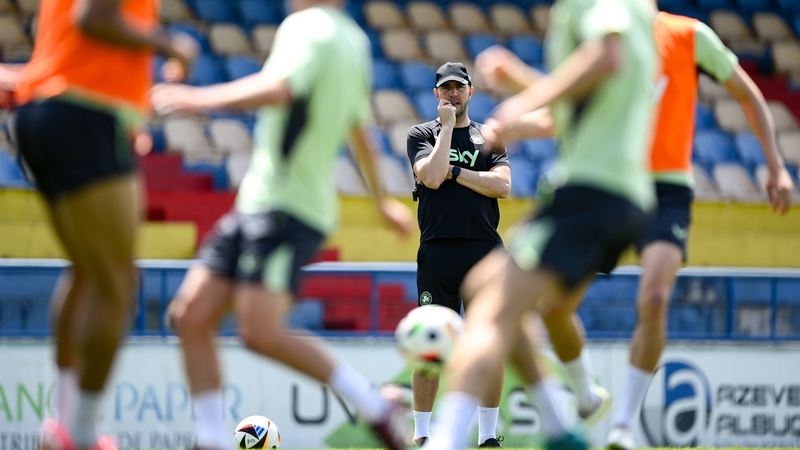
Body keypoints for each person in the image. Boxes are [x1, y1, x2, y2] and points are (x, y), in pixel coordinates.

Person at [150, 1, 415, 449]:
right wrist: (381, 201)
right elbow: (359, 132)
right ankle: (211, 439)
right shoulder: (354, 41)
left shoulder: (308, 27)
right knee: (191, 315)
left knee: (258, 331)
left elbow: (281, 88)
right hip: (258, 201)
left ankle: (373, 405)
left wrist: (198, 99)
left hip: (288, 208)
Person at [528, 7, 795, 450]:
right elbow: (566, 110)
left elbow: (748, 94)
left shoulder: (689, 35)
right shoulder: (596, 31)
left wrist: (775, 164)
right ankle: (587, 395)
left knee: (654, 298)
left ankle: (624, 427)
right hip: (607, 185)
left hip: (668, 190)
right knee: (553, 306)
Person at [424, 0, 660, 448]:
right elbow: (579, 108)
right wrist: (517, 110)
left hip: (592, 190)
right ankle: (561, 425)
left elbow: (603, 57)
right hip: (618, 192)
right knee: (486, 290)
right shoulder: (635, 13)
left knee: (491, 306)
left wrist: (524, 98)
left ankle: (445, 441)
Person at [10, 1, 196, 449]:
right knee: (117, 281)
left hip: (46, 110)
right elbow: (94, 17)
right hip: (82, 113)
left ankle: (64, 424)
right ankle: (80, 434)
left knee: (89, 270)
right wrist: (171, 43)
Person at [406, 62, 511, 448]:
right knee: (429, 345)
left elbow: (502, 186)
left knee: (489, 342)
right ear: (436, 94)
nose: (452, 94)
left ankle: (487, 437)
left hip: (485, 250)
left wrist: (456, 173)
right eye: (445, 88)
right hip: (437, 251)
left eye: (459, 87)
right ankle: (422, 435)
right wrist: (447, 130)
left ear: (471, 92)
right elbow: (430, 176)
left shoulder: (489, 138)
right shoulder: (422, 134)